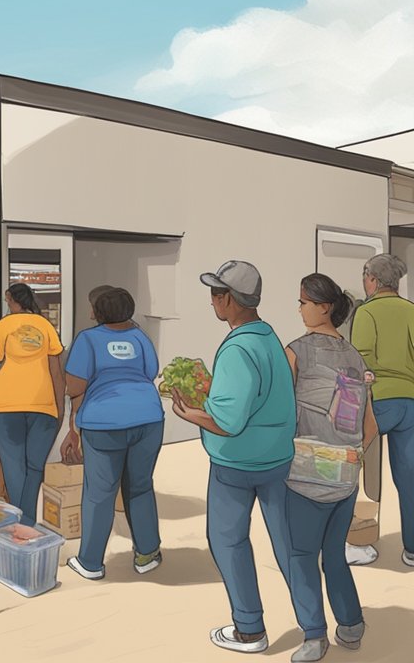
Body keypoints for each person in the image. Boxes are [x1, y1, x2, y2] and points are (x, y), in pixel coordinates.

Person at [170, 260, 296, 655]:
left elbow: (228, 422)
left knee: (228, 542)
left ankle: (249, 630)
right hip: (278, 458)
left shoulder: (238, 347)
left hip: (237, 466)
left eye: (215, 294)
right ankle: (317, 622)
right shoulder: (268, 336)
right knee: (292, 547)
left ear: (230, 299)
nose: (211, 302)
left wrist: (188, 413)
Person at [282, 274, 375, 662]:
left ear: (324, 307)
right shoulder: (355, 357)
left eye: (303, 301)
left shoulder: (295, 351)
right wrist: (350, 454)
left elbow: (282, 413)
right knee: (333, 553)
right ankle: (351, 625)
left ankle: (314, 636)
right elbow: (370, 426)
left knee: (301, 556)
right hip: (346, 473)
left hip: (305, 471)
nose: (299, 308)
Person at [61, 287, 165, 581]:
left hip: (103, 423)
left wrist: (74, 426)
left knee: (100, 493)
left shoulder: (88, 340)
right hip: (148, 419)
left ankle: (91, 563)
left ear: (100, 312)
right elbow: (150, 372)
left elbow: (75, 387)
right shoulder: (140, 338)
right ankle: (147, 554)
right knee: (141, 486)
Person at [349, 253, 414, 569]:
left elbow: (361, 360)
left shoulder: (366, 312)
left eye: (365, 276)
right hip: (410, 403)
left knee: (363, 475)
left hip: (376, 402)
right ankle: (412, 548)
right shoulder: (411, 311)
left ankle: (363, 542)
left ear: (373, 280)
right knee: (410, 477)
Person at [0, 283, 65, 527]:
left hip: (4, 402)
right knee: (35, 466)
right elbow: (56, 371)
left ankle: (19, 522)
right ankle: (27, 520)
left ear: (11, 300)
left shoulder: (5, 325)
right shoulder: (46, 325)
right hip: (43, 403)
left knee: (12, 464)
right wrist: (59, 409)